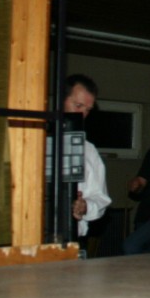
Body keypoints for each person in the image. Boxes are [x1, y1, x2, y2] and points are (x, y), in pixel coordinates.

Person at [61, 73, 111, 240]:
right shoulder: (34, 141)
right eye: (78, 106)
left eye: (87, 110)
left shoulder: (88, 150)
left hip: (71, 238)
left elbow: (100, 198)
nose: (82, 114)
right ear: (61, 101)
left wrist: (85, 206)